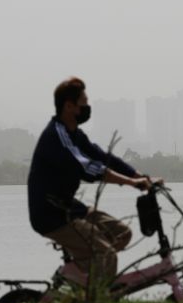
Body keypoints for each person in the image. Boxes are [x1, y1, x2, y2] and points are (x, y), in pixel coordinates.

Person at [27, 77, 161, 290]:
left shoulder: (75, 135)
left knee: (122, 234)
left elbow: (102, 157)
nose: (87, 108)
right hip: (51, 214)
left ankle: (81, 280)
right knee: (105, 253)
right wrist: (131, 183)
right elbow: (89, 167)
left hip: (69, 207)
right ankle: (96, 302)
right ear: (69, 106)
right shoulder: (57, 136)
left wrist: (140, 176)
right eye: (84, 103)